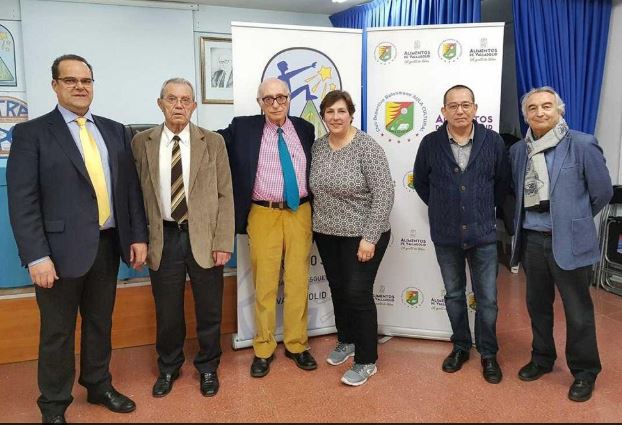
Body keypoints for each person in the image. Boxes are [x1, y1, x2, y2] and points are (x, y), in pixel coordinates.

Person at [6, 54, 148, 424]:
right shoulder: (32, 133)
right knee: (57, 332)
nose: (80, 86)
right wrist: (37, 256)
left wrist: (136, 236)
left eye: (86, 80)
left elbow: (129, 191)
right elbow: (22, 200)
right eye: (70, 80)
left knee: (101, 322)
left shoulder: (116, 130)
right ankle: (53, 405)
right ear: (55, 85)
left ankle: (98, 384)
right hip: (58, 253)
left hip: (107, 245)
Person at [131, 78, 234, 398]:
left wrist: (223, 241)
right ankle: (169, 366)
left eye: (186, 100)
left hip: (203, 236)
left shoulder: (213, 142)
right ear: (160, 103)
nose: (179, 105)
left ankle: (208, 367)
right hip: (163, 237)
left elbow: (225, 193)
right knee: (167, 309)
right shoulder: (141, 142)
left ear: (194, 106)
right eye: (172, 99)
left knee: (209, 308)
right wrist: (140, 238)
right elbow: (135, 195)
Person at [509, 86, 612, 402]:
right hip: (533, 242)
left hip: (569, 242)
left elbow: (602, 192)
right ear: (526, 114)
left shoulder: (581, 144)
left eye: (547, 107)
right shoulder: (517, 151)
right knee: (537, 306)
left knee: (578, 310)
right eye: (533, 108)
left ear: (559, 111)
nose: (540, 113)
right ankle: (542, 358)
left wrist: (575, 220)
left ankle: (584, 371)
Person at [218, 77, 317, 377]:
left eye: (281, 97)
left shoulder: (305, 128)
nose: (275, 104)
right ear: (259, 102)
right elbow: (209, 141)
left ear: (289, 99)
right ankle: (263, 347)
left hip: (300, 211)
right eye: (268, 99)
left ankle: (297, 345)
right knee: (265, 284)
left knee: (299, 280)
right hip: (263, 214)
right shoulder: (243, 128)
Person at [413, 84, 510, 384]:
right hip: (446, 235)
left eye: (465, 104)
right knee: (455, 295)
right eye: (453, 105)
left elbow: (502, 185)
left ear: (475, 108)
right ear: (443, 112)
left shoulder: (493, 142)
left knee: (488, 299)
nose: (460, 110)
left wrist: (477, 208)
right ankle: (460, 346)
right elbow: (421, 183)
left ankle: (489, 353)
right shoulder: (430, 143)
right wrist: (446, 208)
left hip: (483, 234)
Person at [310, 90, 393, 386]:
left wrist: (370, 238)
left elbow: (384, 194)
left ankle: (366, 359)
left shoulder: (366, 147)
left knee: (358, 293)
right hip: (327, 233)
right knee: (338, 289)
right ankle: (346, 340)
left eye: (341, 111)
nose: (335, 117)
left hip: (363, 234)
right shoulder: (318, 147)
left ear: (351, 114)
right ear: (323, 116)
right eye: (330, 112)